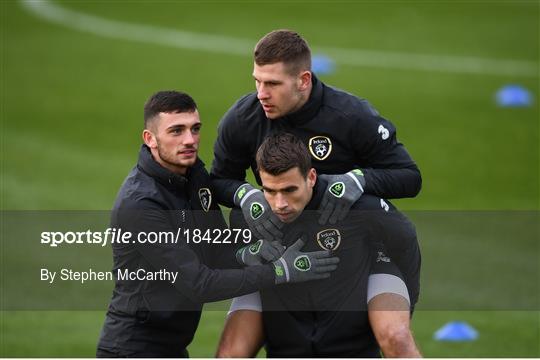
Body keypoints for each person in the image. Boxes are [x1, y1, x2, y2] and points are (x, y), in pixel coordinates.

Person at [210, 29, 421, 356]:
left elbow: (409, 178)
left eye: (273, 84)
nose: (261, 93)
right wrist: (245, 195)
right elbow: (220, 180)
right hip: (280, 252)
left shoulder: (351, 117)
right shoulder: (244, 119)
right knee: (230, 352)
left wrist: (359, 179)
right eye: (257, 81)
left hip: (357, 251)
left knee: (395, 337)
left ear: (303, 80)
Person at [96, 91, 339, 357]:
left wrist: (249, 253)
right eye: (176, 131)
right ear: (150, 138)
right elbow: (199, 284)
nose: (190, 140)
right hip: (133, 348)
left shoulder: (194, 176)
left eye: (195, 128)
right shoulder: (140, 206)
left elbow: (215, 249)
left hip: (173, 347)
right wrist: (280, 272)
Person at [216, 133, 422, 357]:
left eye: (289, 190)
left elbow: (405, 241)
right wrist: (250, 253)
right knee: (230, 353)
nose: (280, 204)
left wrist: (407, 304)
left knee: (398, 338)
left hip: (346, 309)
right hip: (281, 303)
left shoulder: (356, 207)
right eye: (270, 191)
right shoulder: (249, 215)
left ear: (311, 177)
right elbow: (222, 262)